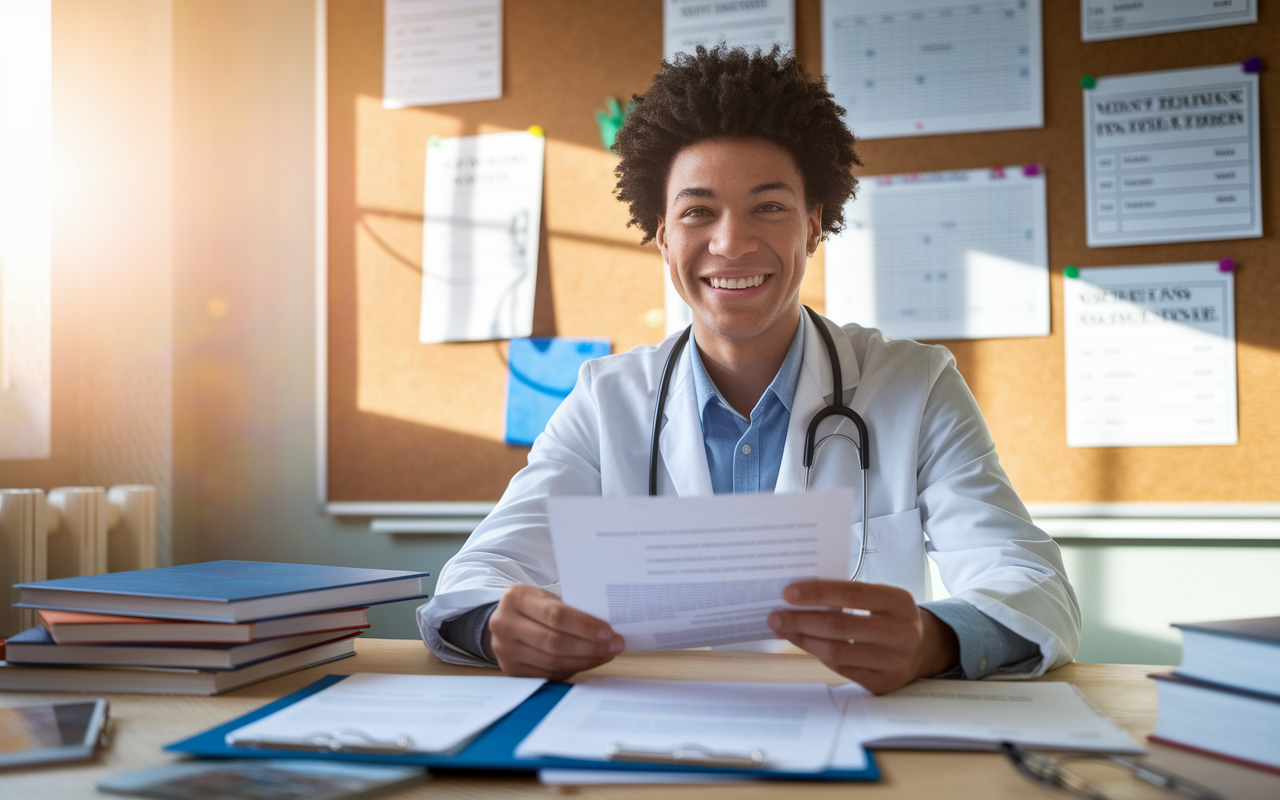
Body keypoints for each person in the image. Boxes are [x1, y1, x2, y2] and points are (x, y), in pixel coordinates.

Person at [418, 46, 1080, 694]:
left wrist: (934, 640)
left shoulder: (916, 384)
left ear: (814, 226)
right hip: (651, 741)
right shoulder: (605, 401)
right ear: (663, 235)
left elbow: (1034, 586)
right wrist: (496, 625)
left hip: (853, 732)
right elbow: (478, 575)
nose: (731, 243)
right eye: (698, 211)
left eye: (768, 206)